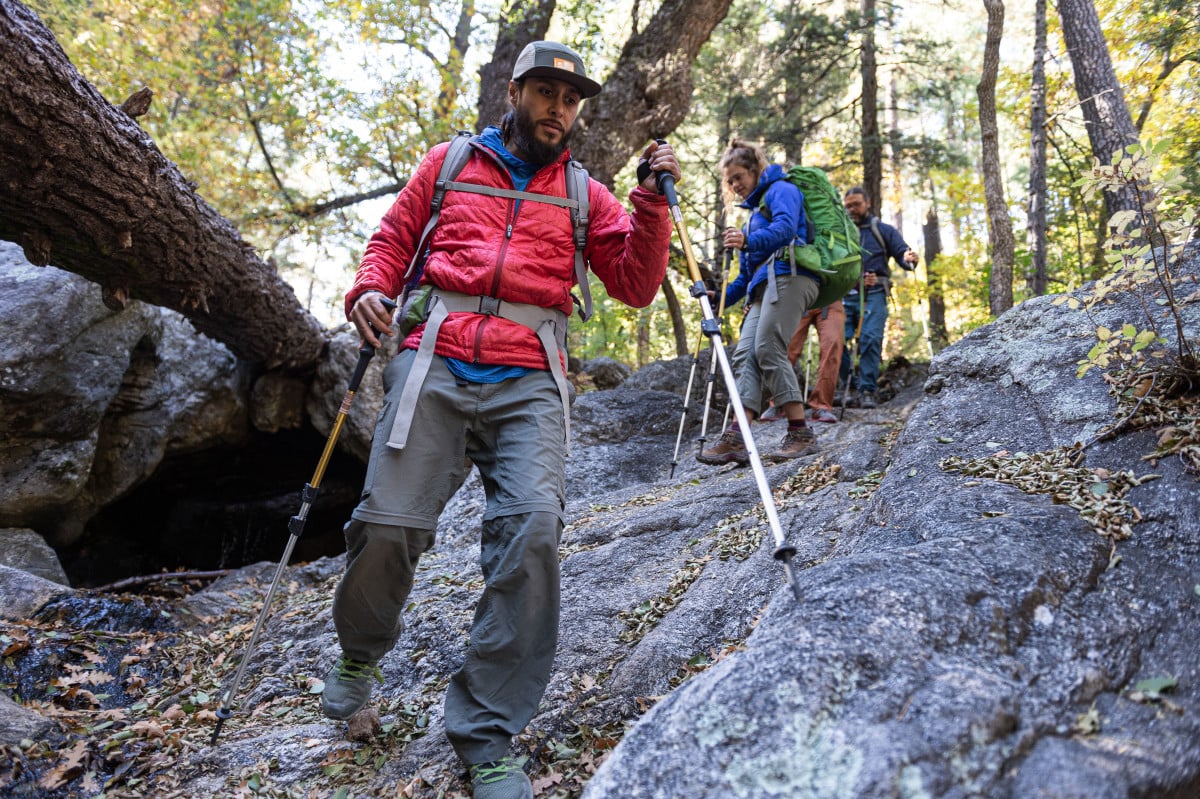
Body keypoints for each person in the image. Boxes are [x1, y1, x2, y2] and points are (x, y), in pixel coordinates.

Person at [320, 41, 680, 799]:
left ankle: (486, 733)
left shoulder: (586, 194)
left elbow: (636, 285)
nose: (559, 109)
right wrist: (370, 287)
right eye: (547, 92)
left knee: (532, 531)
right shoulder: (449, 164)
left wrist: (652, 203)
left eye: (571, 99)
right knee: (389, 522)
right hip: (437, 361)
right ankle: (358, 654)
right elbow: (391, 238)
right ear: (514, 92)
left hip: (530, 378)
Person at [697, 140, 822, 465]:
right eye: (730, 181)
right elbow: (745, 277)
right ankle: (738, 437)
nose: (735, 186)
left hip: (793, 276)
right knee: (745, 352)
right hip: (763, 287)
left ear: (755, 170)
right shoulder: (752, 216)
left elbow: (785, 228)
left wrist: (749, 240)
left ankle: (801, 432)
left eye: (739, 177)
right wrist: (720, 300)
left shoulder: (782, 189)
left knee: (767, 347)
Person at [838, 186, 918, 409]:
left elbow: (903, 255)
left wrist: (910, 257)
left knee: (870, 339)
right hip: (843, 295)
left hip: (875, 294)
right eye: (848, 206)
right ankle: (849, 386)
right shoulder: (840, 233)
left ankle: (867, 390)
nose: (852, 209)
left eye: (856, 204)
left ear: (868, 203)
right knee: (835, 340)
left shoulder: (883, 230)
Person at [787, 299, 845, 423]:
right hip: (798, 296)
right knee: (786, 346)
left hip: (832, 298)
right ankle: (779, 402)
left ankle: (822, 405)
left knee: (832, 345)